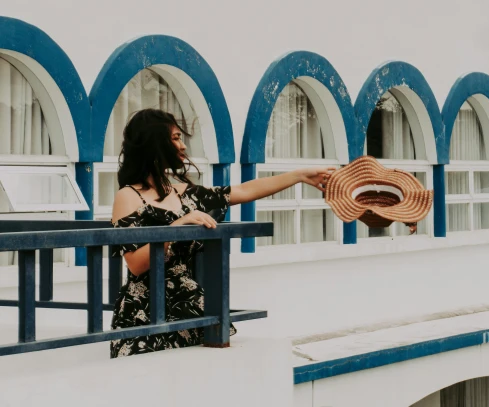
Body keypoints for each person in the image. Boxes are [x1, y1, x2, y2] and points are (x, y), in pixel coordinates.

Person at [110, 108, 334, 358]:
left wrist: (300, 175)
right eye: (175, 138)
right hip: (145, 312)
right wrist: (176, 228)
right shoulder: (128, 196)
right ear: (153, 143)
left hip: (190, 304)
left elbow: (244, 191)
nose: (183, 146)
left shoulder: (186, 193)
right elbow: (136, 265)